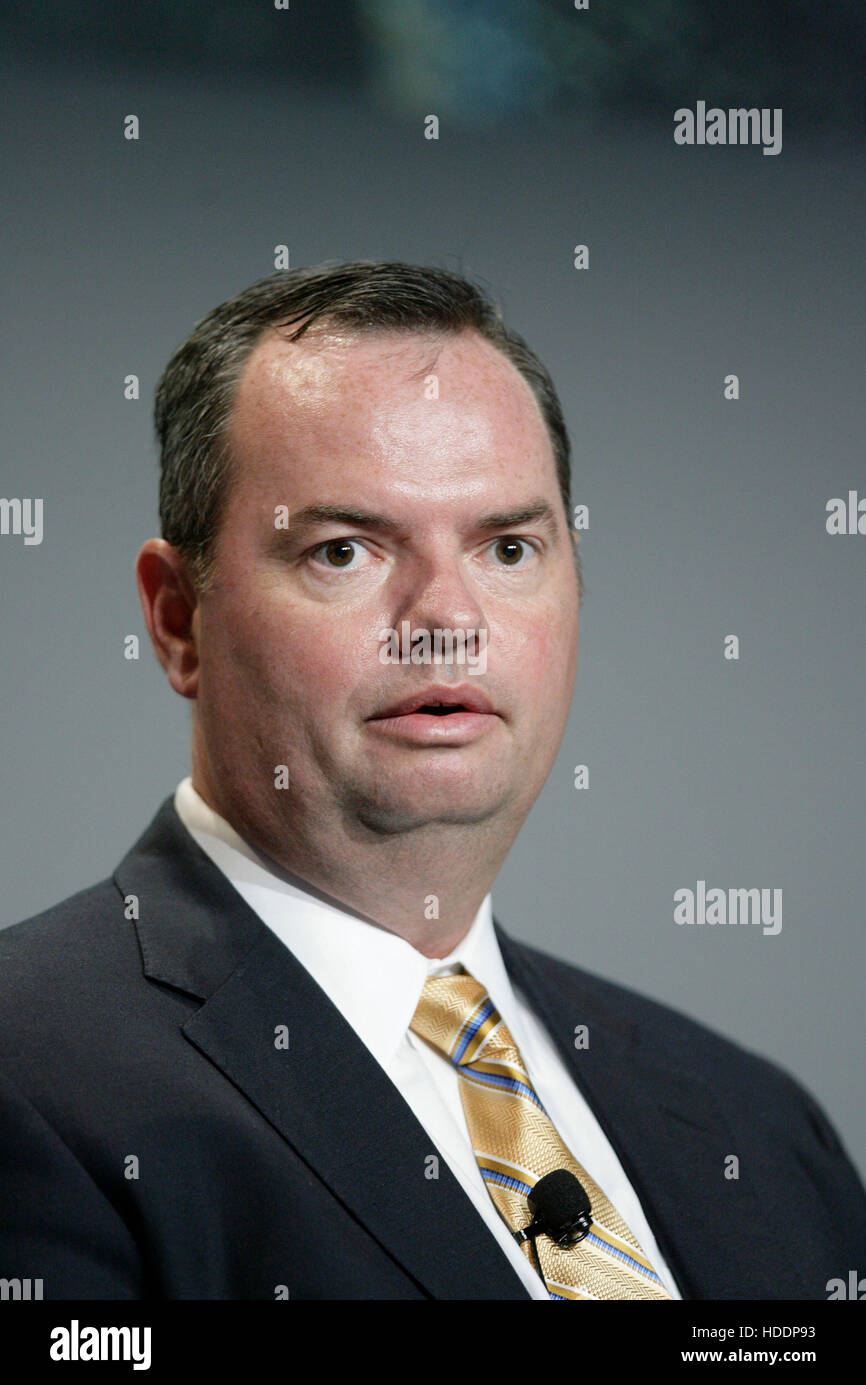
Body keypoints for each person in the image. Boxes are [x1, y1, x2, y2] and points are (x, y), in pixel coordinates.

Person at [0, 262, 863, 1301]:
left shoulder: (758, 1127)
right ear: (178, 617)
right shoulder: (31, 1076)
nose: (449, 619)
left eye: (507, 546)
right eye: (345, 551)